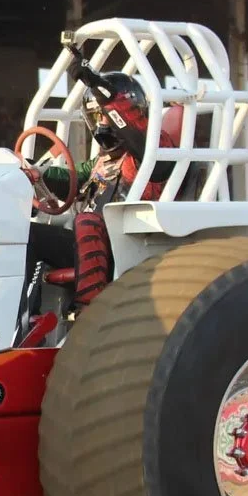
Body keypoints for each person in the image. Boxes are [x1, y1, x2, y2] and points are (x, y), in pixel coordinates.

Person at [23, 51, 178, 315]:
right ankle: (28, 319)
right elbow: (72, 179)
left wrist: (101, 90)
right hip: (90, 245)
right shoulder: (102, 161)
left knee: (88, 220)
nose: (101, 124)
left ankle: (90, 308)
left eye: (104, 115)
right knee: (28, 235)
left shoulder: (152, 153)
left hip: (126, 247)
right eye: (96, 116)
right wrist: (38, 173)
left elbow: (137, 133)